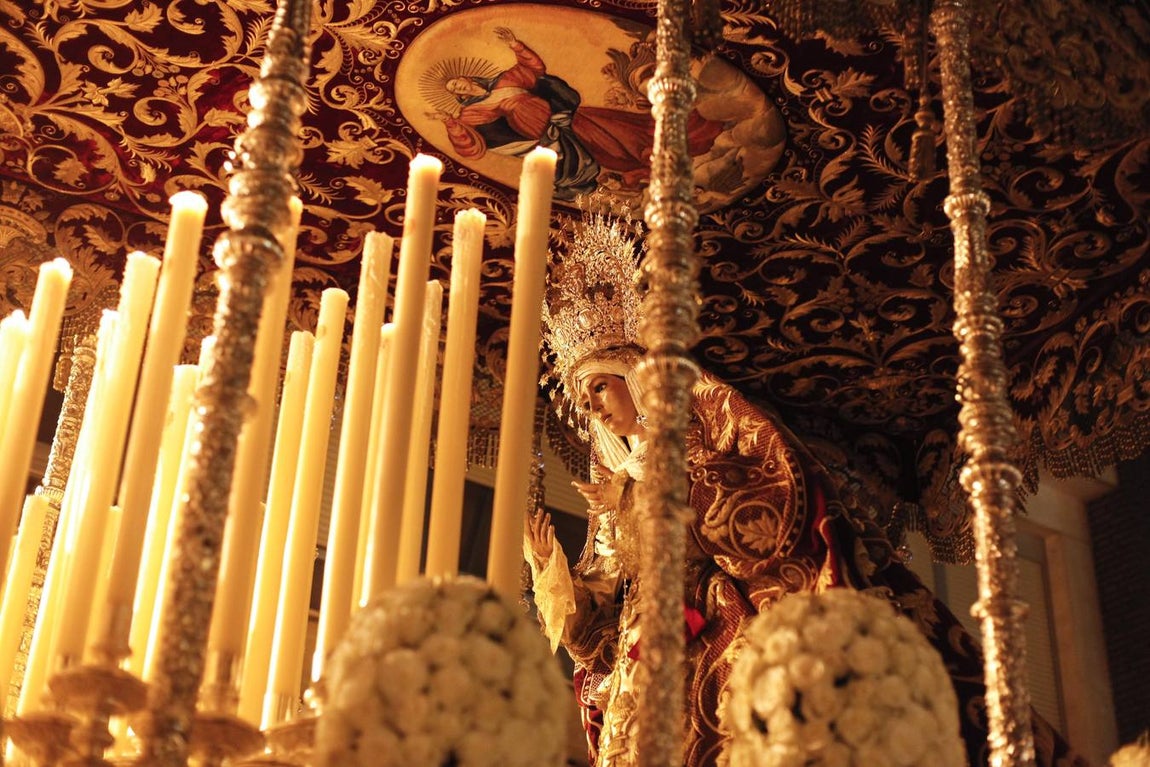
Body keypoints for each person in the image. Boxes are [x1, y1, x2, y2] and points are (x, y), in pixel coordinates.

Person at [525, 203, 1092, 767]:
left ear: (635, 379)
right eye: (583, 399)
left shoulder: (702, 439)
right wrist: (549, 567)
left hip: (718, 621)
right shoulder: (616, 483)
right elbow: (595, 628)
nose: (594, 408)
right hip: (645, 660)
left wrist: (662, 487)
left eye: (600, 387)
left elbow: (768, 512)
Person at [429, 27, 724, 199]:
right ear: (459, 94)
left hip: (565, 117)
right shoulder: (473, 113)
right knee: (602, 153)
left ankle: (664, 148)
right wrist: (449, 122)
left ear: (468, 79)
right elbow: (470, 146)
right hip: (543, 135)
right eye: (457, 89)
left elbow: (534, 69)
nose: (462, 88)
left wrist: (514, 44)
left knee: (616, 135)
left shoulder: (506, 80)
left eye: (460, 81)